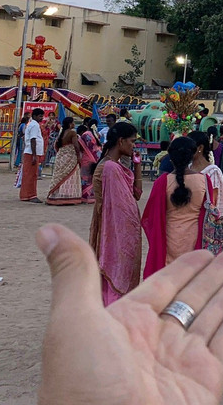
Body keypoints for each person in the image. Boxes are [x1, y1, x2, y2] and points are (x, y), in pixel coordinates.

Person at [35, 223, 223, 405]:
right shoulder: (203, 180)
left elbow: (152, 215)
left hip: (169, 245)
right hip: (191, 245)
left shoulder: (164, 181)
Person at [89, 121, 144, 305]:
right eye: (132, 141)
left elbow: (136, 194)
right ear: (121, 141)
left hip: (111, 224)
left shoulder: (115, 165)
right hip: (112, 227)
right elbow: (124, 209)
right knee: (115, 268)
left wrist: (137, 165)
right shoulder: (111, 168)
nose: (134, 145)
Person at [142, 136, 215, 275]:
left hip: (168, 238)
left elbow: (150, 217)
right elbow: (209, 212)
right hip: (195, 237)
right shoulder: (204, 180)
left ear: (171, 157)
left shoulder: (162, 182)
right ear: (192, 155)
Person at [47, 119, 85, 205]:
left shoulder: (62, 133)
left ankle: (57, 195)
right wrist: (78, 156)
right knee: (70, 175)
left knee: (61, 176)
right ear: (70, 124)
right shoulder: (72, 133)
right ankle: (69, 196)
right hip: (70, 156)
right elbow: (76, 145)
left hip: (61, 156)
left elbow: (57, 145)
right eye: (73, 122)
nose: (74, 124)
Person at [192, 130, 223, 219]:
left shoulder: (212, 171)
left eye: (189, 147)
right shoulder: (188, 168)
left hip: (204, 220)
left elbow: (213, 201)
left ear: (200, 148)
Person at [20, 108, 46, 202]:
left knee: (28, 174)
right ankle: (31, 195)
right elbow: (33, 139)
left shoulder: (32, 124)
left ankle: (25, 194)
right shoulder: (34, 125)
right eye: (40, 116)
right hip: (32, 153)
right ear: (34, 116)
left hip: (30, 152)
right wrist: (35, 155)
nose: (42, 118)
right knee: (32, 175)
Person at [77, 123, 102, 200]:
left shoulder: (85, 135)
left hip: (87, 158)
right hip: (96, 157)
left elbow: (80, 146)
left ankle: (86, 195)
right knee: (93, 177)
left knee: (85, 177)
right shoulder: (93, 134)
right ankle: (93, 195)